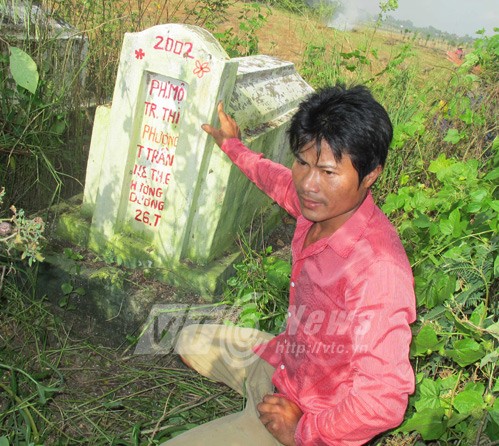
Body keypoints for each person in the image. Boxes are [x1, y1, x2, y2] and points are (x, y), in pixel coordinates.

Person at [162, 85, 416, 445]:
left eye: (328, 172)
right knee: (187, 338)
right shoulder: (319, 206)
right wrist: (232, 146)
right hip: (286, 364)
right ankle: (259, 392)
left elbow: (383, 399)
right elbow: (274, 178)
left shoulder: (377, 269)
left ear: (370, 175)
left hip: (312, 409)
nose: (308, 184)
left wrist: (303, 430)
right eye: (302, 162)